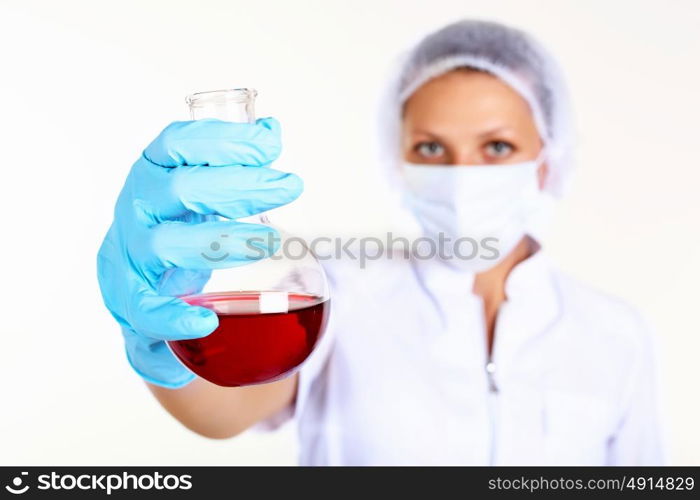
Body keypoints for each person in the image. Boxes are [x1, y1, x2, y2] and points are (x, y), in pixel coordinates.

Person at [97, 20, 667, 465]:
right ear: (398, 159)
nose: (463, 174)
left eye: (496, 147)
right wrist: (157, 339)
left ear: (548, 158)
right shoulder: (336, 288)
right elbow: (222, 410)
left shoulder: (614, 334)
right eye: (431, 148)